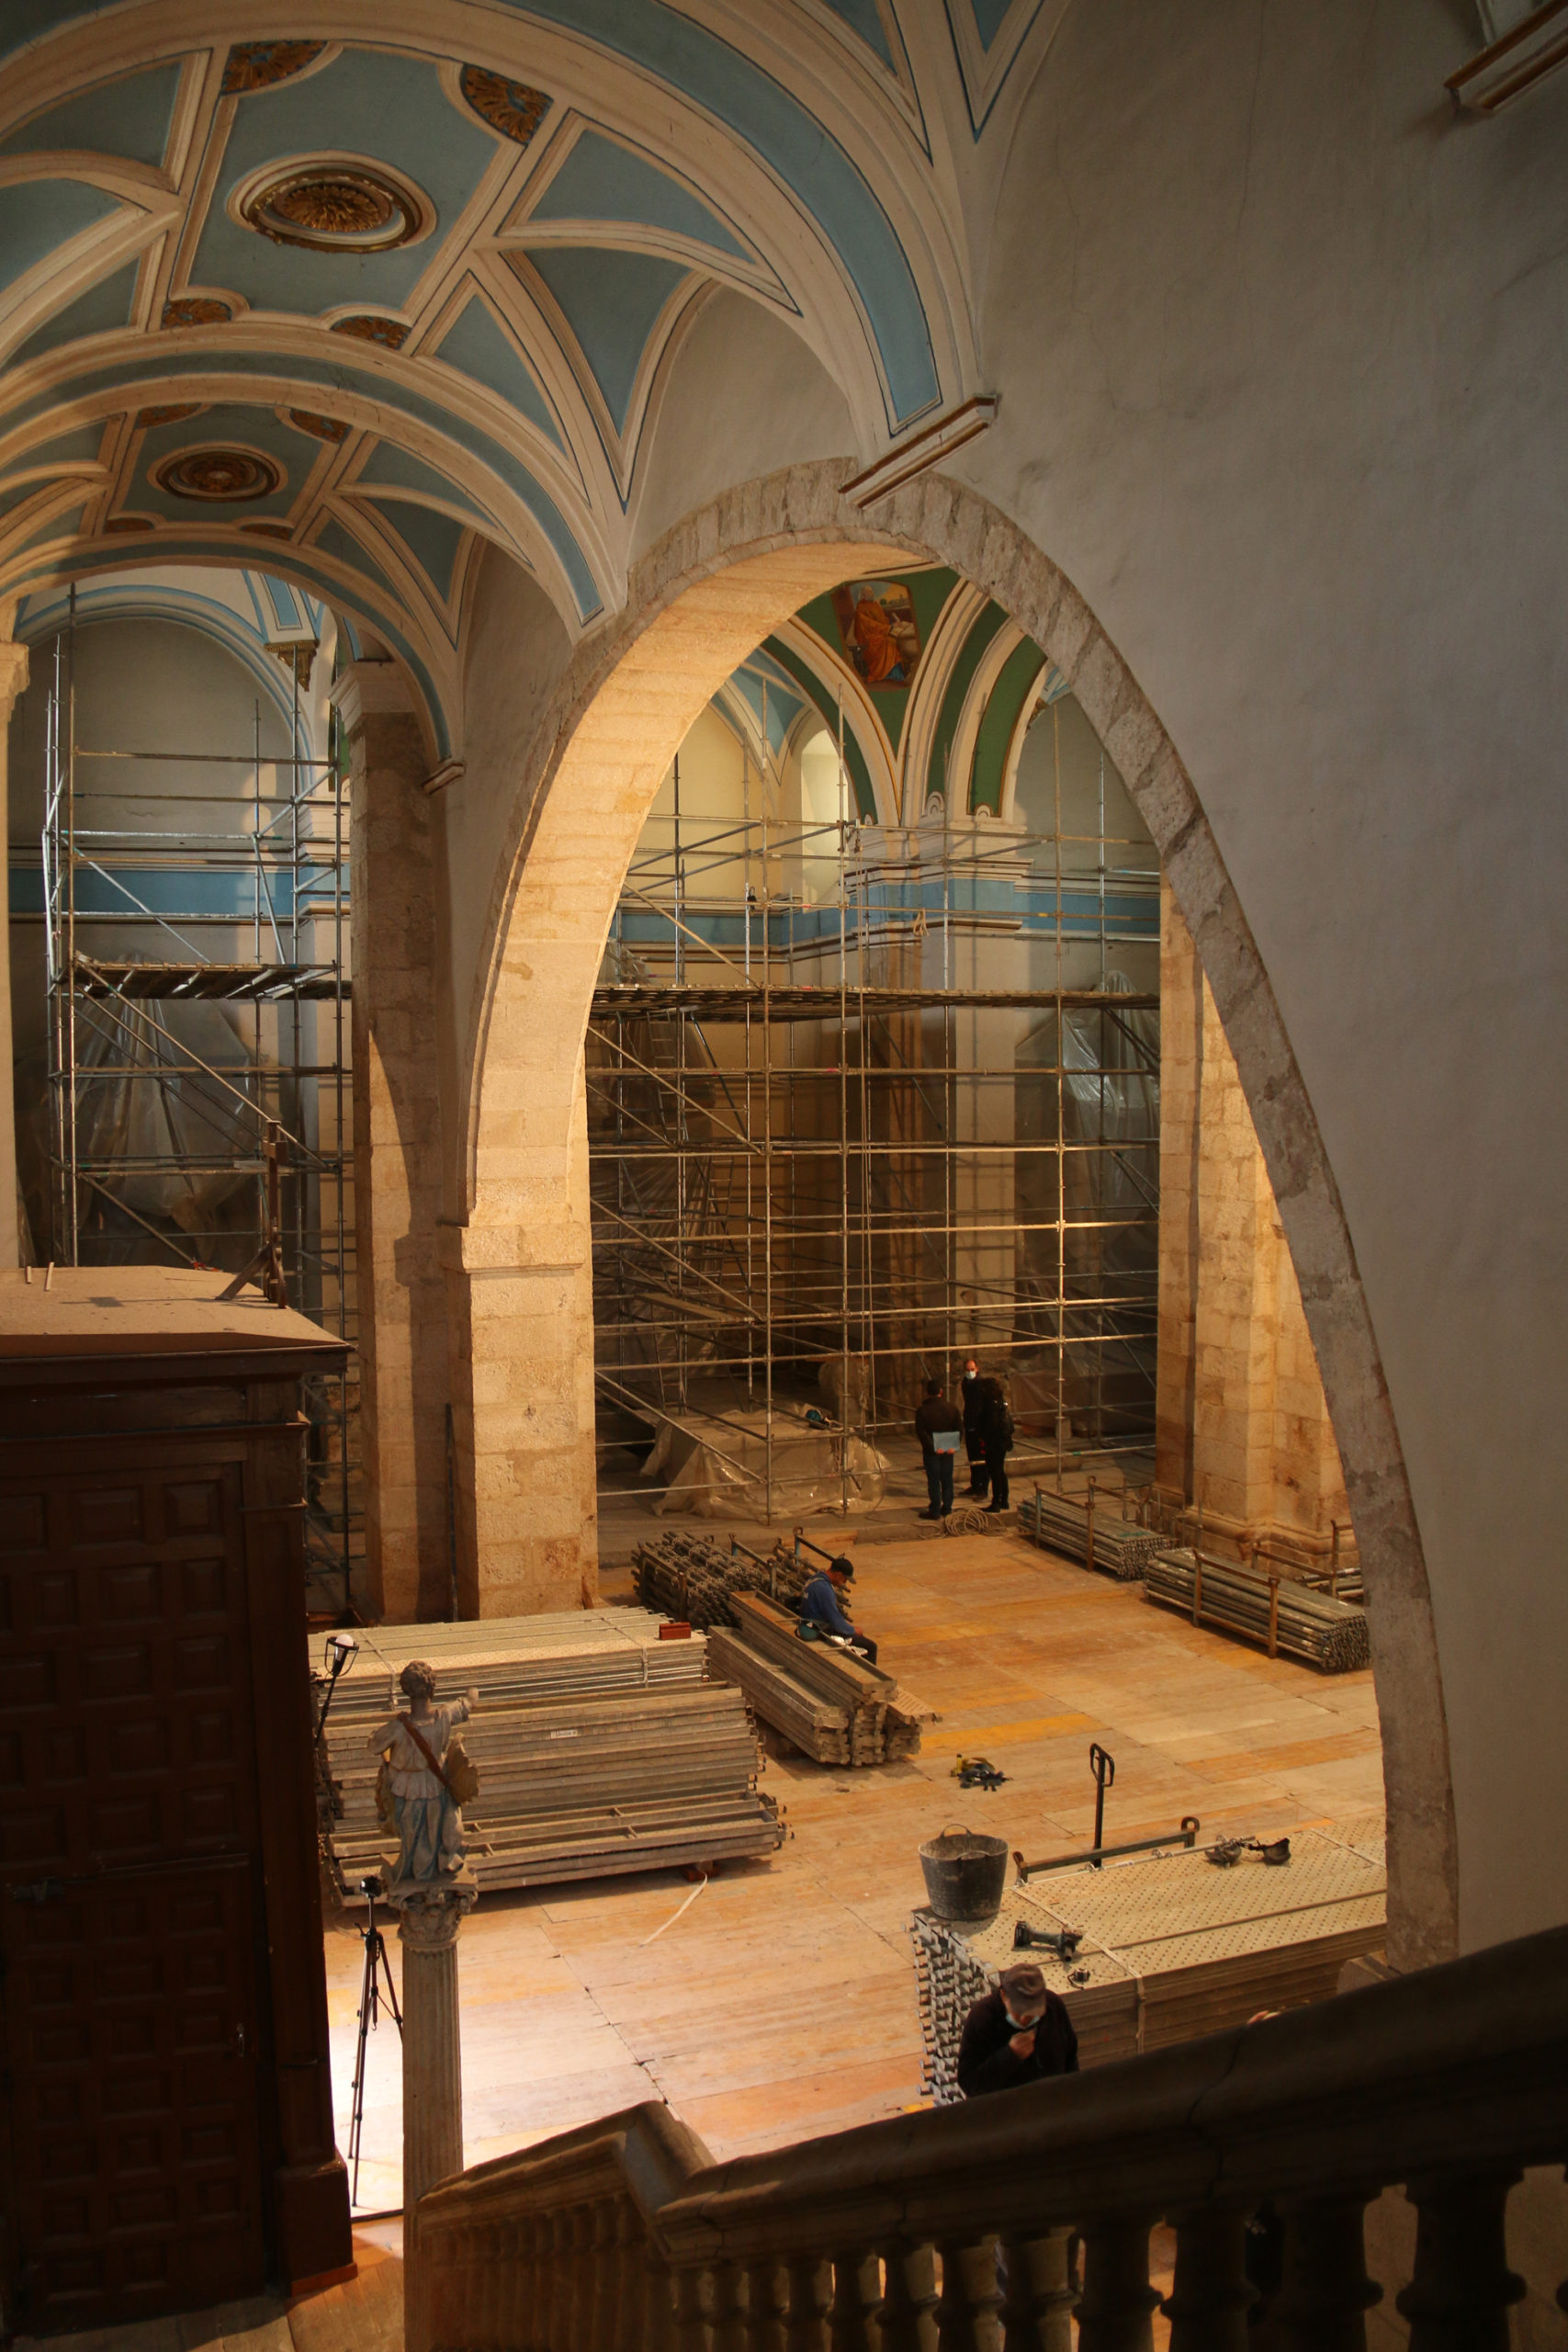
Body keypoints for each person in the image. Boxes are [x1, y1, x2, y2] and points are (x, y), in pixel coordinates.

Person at [367, 1660, 479, 1885]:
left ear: (406, 1691)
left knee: (413, 1835)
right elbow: (468, 1703)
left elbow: (373, 1745)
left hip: (407, 1789)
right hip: (436, 1785)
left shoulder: (398, 1727)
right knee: (434, 1830)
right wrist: (472, 1691)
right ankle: (433, 1869)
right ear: (432, 1689)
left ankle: (418, 1873)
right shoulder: (444, 1716)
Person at [956, 1961, 1078, 2098]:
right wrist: (1010, 2055)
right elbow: (969, 2082)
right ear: (1003, 1995)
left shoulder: (1054, 2007)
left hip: (1051, 2103)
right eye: (1018, 2012)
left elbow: (1071, 2059)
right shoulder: (982, 2018)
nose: (1024, 2020)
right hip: (1004, 2107)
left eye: (1032, 2013)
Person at [798, 1554, 877, 1666]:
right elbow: (835, 1621)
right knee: (870, 1646)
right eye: (844, 1579)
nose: (843, 1583)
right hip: (819, 1629)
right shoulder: (824, 1589)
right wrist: (852, 1630)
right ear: (839, 1575)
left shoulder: (815, 1579)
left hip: (808, 1622)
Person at [914, 1378, 963, 1519]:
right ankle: (947, 1507)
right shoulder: (952, 1408)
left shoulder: (922, 1411)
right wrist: (953, 1445)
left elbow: (921, 1432)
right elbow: (959, 1428)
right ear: (941, 1392)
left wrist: (933, 1446)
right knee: (947, 1479)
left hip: (932, 1450)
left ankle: (935, 1510)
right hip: (948, 1447)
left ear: (927, 1393)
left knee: (934, 1480)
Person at [980, 1375, 1014, 1513]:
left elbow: (991, 1424)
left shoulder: (990, 1404)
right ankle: (1004, 1500)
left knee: (995, 1472)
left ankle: (996, 1503)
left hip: (994, 1442)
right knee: (1000, 1471)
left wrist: (983, 1436)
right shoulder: (1001, 1401)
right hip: (1003, 1441)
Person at [961, 1356, 988, 1498]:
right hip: (970, 1424)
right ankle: (975, 1484)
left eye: (972, 1369)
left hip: (979, 1426)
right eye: (967, 1370)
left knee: (981, 1457)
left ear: (977, 1369)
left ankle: (983, 1487)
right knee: (972, 1456)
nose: (970, 1372)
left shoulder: (980, 1384)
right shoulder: (966, 1382)